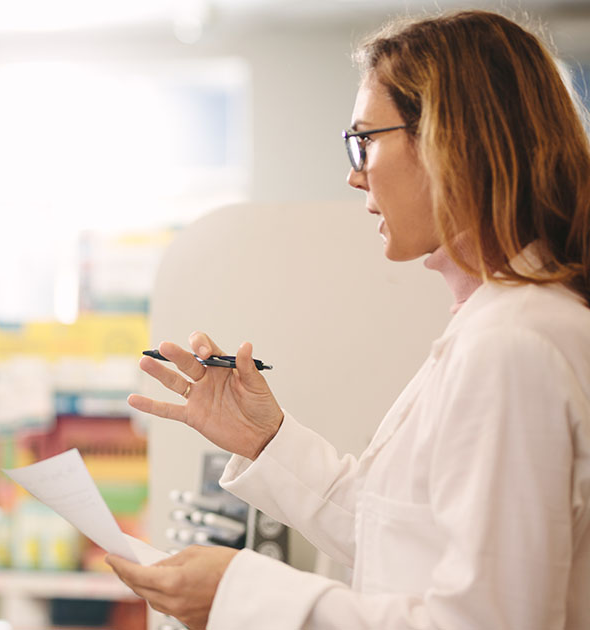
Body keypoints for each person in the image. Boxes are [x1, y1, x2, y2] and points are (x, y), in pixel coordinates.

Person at [107, 10, 590, 630]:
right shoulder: (497, 324)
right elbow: (401, 538)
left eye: (366, 138)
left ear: (451, 137)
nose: (354, 172)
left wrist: (243, 598)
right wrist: (265, 438)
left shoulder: (516, 344)